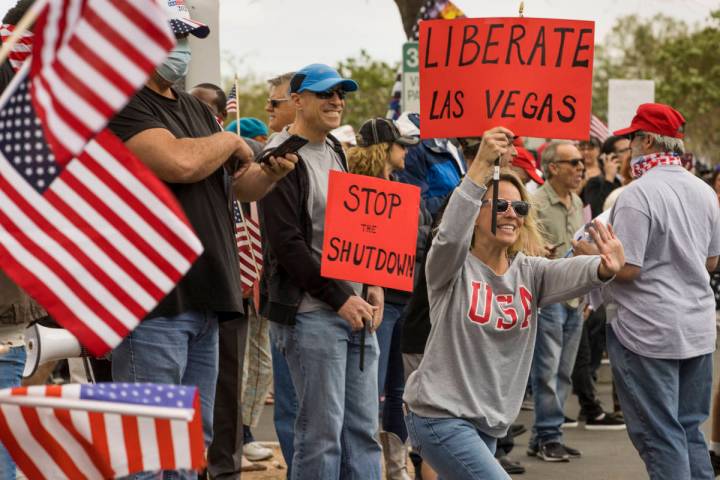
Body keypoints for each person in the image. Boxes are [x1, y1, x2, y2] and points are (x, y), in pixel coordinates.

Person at [107, 3, 297, 478]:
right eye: (174, 37)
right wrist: (233, 143)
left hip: (208, 296)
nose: (182, 49)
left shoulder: (193, 107)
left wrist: (269, 174)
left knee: (192, 447)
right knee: (147, 451)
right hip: (153, 302)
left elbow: (236, 188)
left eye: (188, 37)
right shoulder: (122, 102)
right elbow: (177, 163)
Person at [403, 126, 625, 480]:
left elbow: (571, 272)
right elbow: (449, 233)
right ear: (476, 212)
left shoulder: (530, 272)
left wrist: (603, 266)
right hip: (439, 416)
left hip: (489, 423)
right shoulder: (451, 265)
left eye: (519, 206)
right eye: (500, 205)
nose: (511, 213)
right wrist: (480, 167)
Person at [259, 63, 384, 479]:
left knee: (363, 433)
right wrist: (340, 297)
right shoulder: (280, 155)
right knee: (320, 437)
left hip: (354, 310)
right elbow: (286, 244)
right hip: (312, 315)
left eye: (341, 94)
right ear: (297, 101)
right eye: (325, 93)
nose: (337, 101)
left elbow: (352, 229)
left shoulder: (334, 149)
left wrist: (371, 283)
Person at [598, 103, 720, 480]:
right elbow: (712, 261)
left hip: (647, 332)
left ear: (647, 139)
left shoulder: (637, 195)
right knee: (687, 430)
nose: (630, 146)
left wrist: (592, 252)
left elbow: (628, 268)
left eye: (633, 137)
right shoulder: (703, 191)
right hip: (695, 328)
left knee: (661, 435)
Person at [348, 117, 421, 480]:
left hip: (402, 295)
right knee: (369, 390)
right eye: (400, 145)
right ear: (383, 148)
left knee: (398, 389)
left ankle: (396, 466)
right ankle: (367, 467)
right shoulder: (358, 188)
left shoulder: (401, 185)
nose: (406, 151)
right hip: (373, 301)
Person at [527, 140, 587, 462]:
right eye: (573, 162)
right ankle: (549, 434)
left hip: (575, 297)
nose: (580, 167)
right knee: (547, 370)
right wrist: (537, 252)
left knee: (563, 371)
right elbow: (520, 246)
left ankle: (546, 436)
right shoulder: (534, 201)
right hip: (548, 296)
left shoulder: (577, 201)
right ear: (553, 168)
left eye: (580, 162)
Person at [394, 113, 466, 219]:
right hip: (433, 231)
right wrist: (459, 201)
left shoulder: (450, 144)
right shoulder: (414, 148)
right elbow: (415, 207)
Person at [582, 135, 629, 218]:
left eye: (630, 148)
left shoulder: (634, 178)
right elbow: (598, 211)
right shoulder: (595, 182)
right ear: (610, 157)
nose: (630, 153)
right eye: (625, 150)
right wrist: (609, 179)